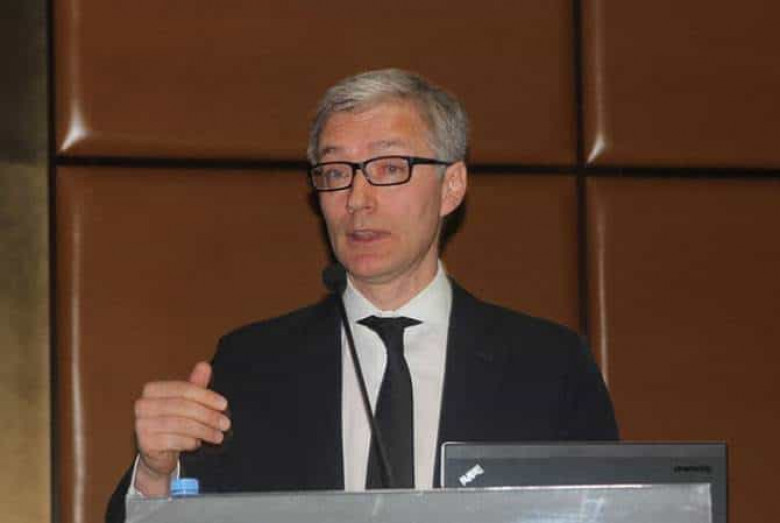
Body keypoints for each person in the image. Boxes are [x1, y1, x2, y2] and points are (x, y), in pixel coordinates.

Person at [106, 68, 617, 521]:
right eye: (335, 173)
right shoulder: (253, 365)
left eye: (389, 168)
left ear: (452, 186)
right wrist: (156, 475)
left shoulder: (548, 368)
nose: (357, 199)